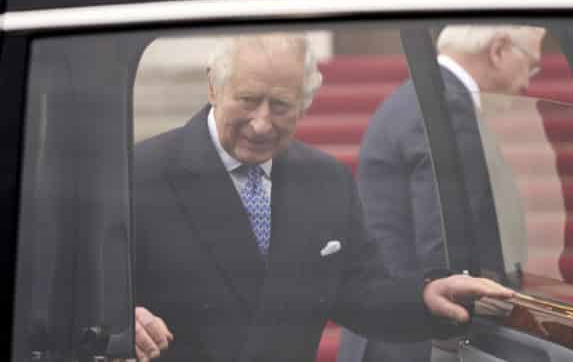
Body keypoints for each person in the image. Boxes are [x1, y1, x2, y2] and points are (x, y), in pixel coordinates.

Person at [132, 33, 514, 362]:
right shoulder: (142, 173)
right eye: (248, 100)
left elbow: (361, 292)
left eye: (281, 105)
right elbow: (93, 293)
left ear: (305, 103)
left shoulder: (325, 179)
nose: (262, 123)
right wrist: (125, 318)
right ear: (214, 86)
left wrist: (427, 295)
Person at [337, 25, 546, 362]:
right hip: (417, 344)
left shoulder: (423, 98)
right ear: (499, 50)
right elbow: (445, 245)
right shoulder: (445, 107)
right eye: (531, 65)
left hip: (394, 337)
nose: (529, 81)